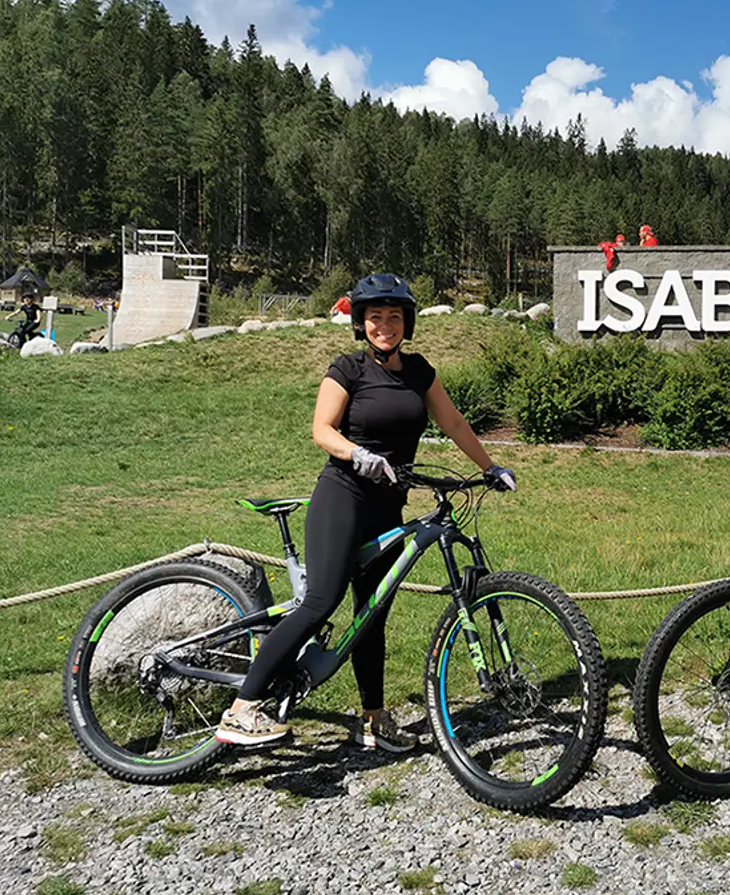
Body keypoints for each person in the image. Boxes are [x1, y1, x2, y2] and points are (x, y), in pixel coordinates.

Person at [216, 273, 518, 751]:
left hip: (388, 502)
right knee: (320, 601)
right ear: (360, 323)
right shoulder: (349, 369)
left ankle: (374, 720)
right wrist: (357, 454)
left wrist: (490, 466)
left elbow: (454, 421)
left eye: (393, 317)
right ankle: (242, 709)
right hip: (344, 494)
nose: (384, 325)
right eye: (374, 317)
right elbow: (322, 428)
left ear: (406, 323)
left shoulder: (419, 371)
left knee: (372, 612)